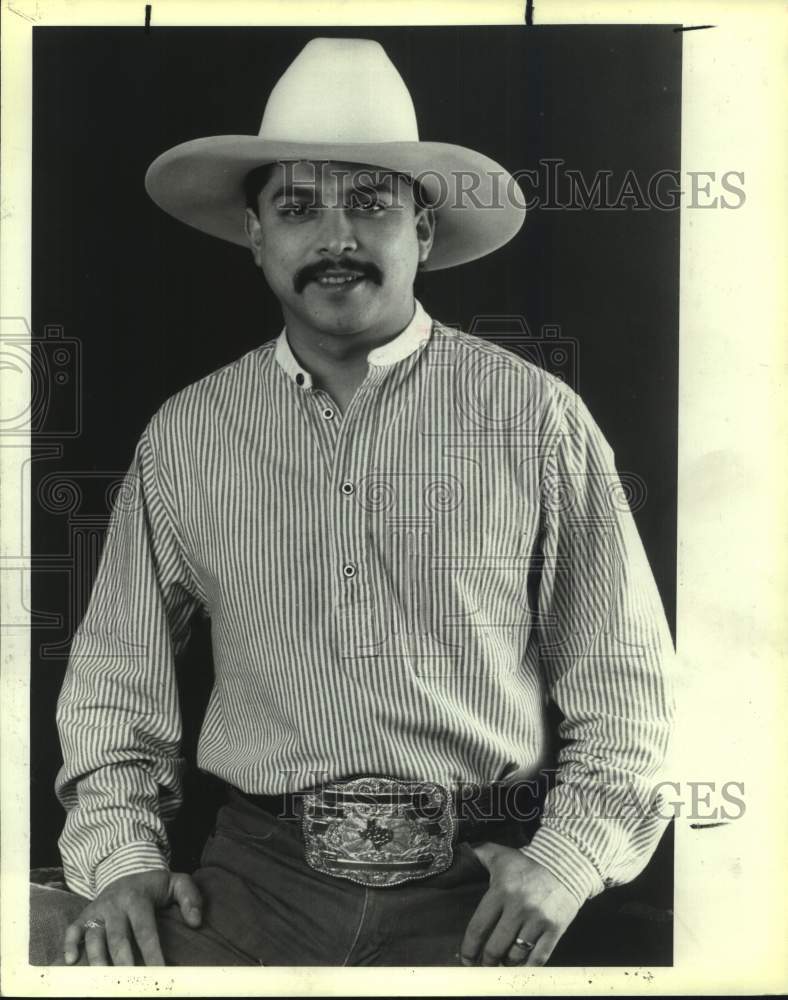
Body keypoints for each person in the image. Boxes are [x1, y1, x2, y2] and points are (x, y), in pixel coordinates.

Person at [30, 37, 675, 967]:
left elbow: (626, 681)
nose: (335, 238)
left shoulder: (534, 417)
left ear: (423, 230)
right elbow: (112, 683)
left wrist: (568, 860)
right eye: (296, 207)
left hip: (483, 899)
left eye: (372, 203)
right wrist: (122, 856)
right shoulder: (188, 433)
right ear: (256, 235)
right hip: (248, 896)